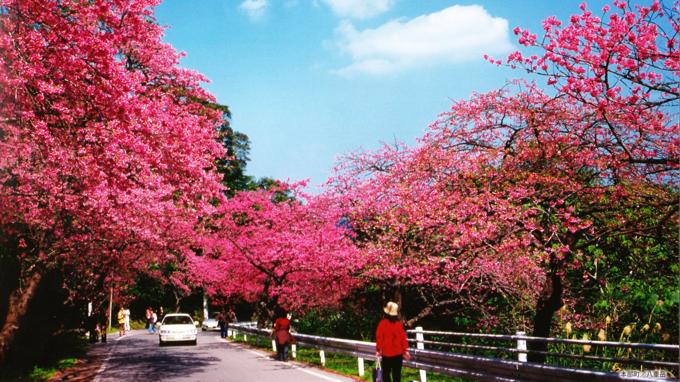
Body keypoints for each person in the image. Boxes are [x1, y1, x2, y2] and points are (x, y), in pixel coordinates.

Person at [375, 301, 411, 382]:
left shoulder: (382, 323)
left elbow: (379, 337)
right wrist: (405, 350)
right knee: (397, 375)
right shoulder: (399, 324)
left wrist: (378, 350)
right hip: (398, 354)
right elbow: (403, 338)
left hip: (386, 354)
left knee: (386, 375)